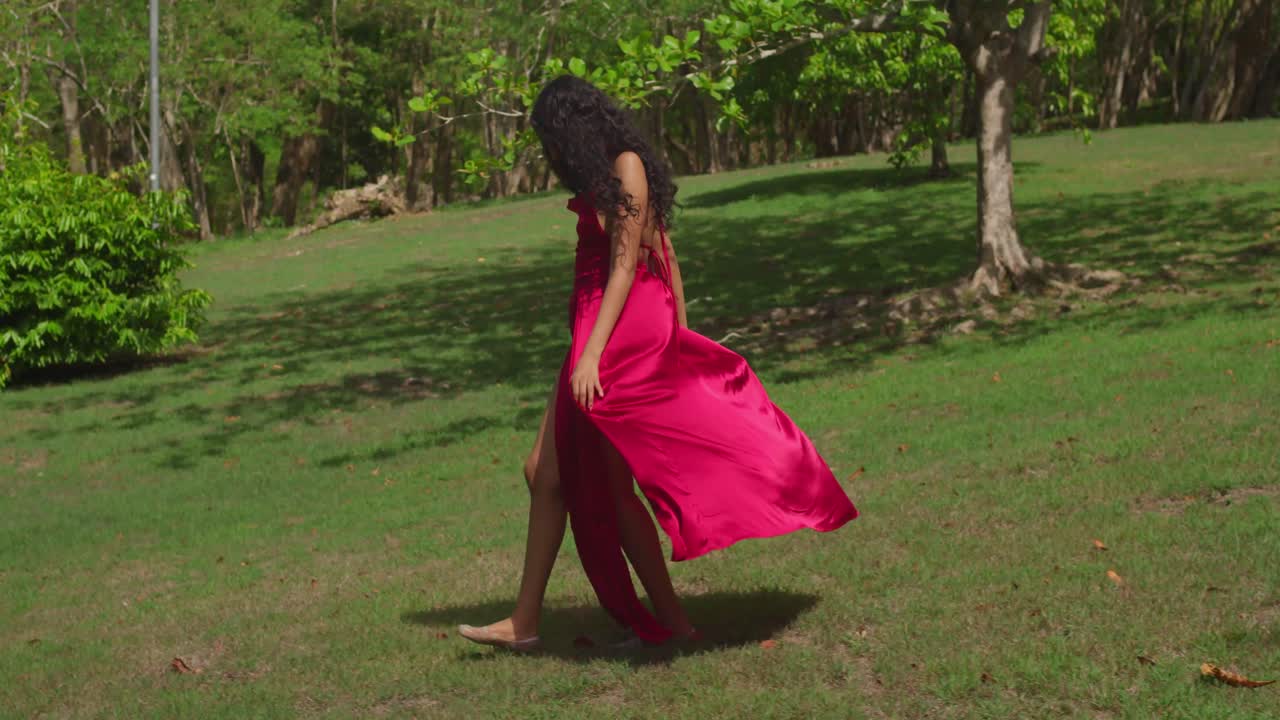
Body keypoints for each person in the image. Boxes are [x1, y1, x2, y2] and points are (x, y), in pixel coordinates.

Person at [458, 75, 858, 651]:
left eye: (551, 137)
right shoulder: (602, 176)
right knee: (543, 470)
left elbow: (632, 264)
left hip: (621, 331)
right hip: (594, 326)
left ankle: (658, 622)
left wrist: (656, 344)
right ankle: (536, 619)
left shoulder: (628, 166)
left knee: (606, 484)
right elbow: (657, 252)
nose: (550, 152)